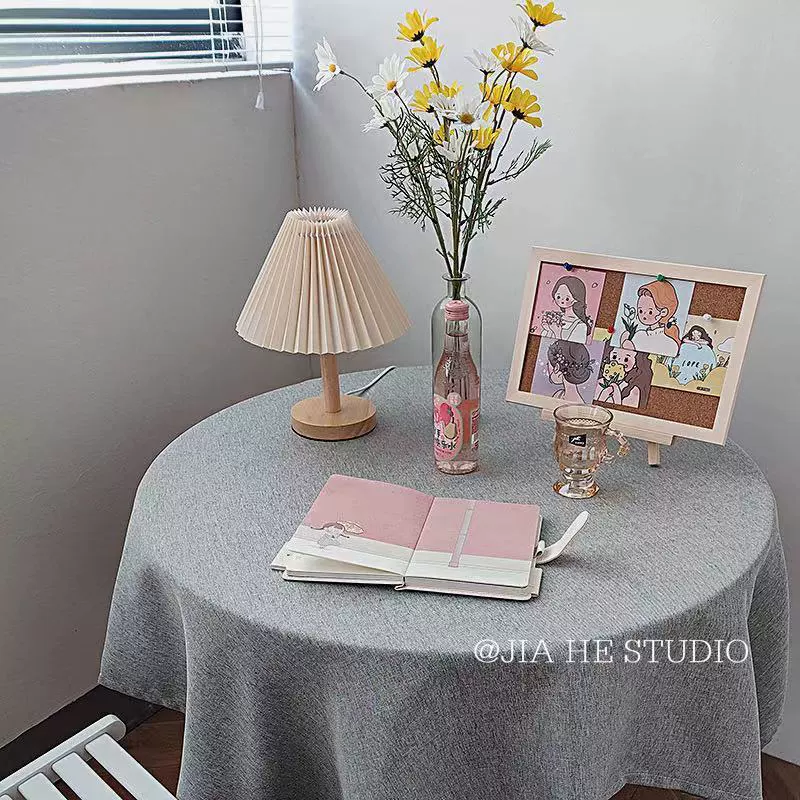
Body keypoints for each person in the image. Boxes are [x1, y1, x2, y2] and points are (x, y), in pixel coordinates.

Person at [621, 279, 681, 357]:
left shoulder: (670, 343)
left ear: (663, 312)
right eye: (640, 311)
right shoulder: (639, 335)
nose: (643, 315)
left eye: (650, 312)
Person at [541, 276, 592, 343]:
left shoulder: (581, 325)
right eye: (558, 296)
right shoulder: (556, 318)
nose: (562, 300)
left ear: (576, 298)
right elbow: (544, 342)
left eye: (567, 298)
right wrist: (548, 330)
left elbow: (574, 347)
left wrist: (557, 333)